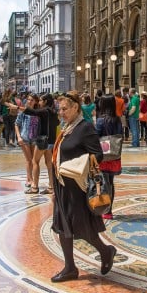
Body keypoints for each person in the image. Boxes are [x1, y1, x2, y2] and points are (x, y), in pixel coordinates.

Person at [50, 90, 116, 282]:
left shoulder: (85, 128)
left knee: (83, 227)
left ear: (75, 107)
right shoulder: (67, 127)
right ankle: (70, 267)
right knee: (63, 226)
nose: (61, 112)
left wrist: (77, 164)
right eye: (59, 109)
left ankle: (106, 251)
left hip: (77, 187)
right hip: (63, 185)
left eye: (64, 109)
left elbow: (98, 154)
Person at [22, 94, 57, 195]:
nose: (39, 102)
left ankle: (34, 187)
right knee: (49, 164)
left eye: (41, 100)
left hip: (42, 141)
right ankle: (51, 187)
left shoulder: (44, 110)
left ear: (45, 101)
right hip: (51, 141)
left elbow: (31, 111)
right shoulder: (53, 111)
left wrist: (16, 107)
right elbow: (57, 123)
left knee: (35, 161)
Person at [95, 95, 123, 220]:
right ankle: (109, 210)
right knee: (110, 183)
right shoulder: (117, 119)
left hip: (103, 156)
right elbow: (120, 135)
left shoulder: (100, 120)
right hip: (114, 155)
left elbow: (96, 137)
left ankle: (104, 209)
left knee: (102, 183)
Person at [15, 93, 39, 189]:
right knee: (29, 160)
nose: (29, 101)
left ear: (36, 101)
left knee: (33, 160)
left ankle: (30, 177)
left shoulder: (38, 111)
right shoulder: (23, 111)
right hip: (25, 138)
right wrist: (18, 136)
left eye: (32, 100)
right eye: (28, 99)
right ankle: (29, 179)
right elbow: (16, 124)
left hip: (35, 138)